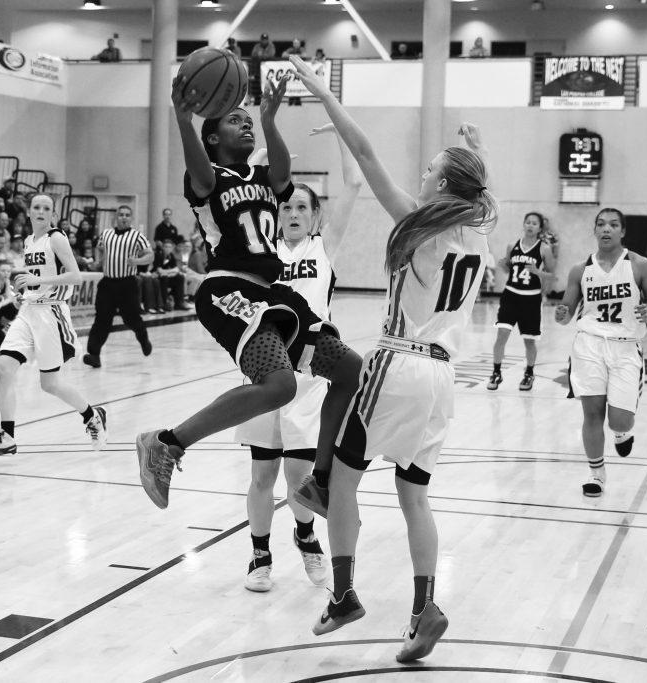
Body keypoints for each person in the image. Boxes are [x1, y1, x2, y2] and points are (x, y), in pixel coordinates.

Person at [290, 55, 495, 663]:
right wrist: (478, 152)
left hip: (399, 361)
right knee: (414, 495)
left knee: (341, 482)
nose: (424, 173)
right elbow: (487, 193)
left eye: (432, 169)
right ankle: (423, 608)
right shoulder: (480, 231)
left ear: (443, 186)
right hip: (441, 380)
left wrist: (326, 94)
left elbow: (368, 149)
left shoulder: (421, 222)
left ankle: (345, 593)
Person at [134, 73, 363, 517]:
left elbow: (281, 174)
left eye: (247, 121)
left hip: (272, 293)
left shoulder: (261, 177)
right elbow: (198, 165)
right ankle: (166, 444)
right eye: (235, 121)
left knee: (352, 372)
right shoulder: (207, 179)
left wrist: (270, 117)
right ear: (213, 137)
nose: (246, 126)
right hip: (226, 287)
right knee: (279, 385)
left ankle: (318, 480)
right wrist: (183, 119)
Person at [234, 124, 362, 593]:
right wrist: (262, 152)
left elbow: (352, 183)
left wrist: (340, 135)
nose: (291, 212)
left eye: (301, 207)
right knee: (263, 471)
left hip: (309, 376)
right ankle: (259, 555)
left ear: (314, 217)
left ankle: (306, 537)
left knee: (298, 473)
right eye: (285, 206)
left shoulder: (322, 247)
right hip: (266, 369)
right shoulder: (261, 250)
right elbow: (248, 190)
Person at [0, 195, 108, 456]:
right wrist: (26, 284)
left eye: (47, 208)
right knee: (3, 369)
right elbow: (37, 278)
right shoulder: (28, 241)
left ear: (53, 214)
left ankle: (92, 415)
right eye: (37, 207)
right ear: (29, 212)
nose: (41, 211)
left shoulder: (56, 238)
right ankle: (7, 437)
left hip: (51, 313)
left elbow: (75, 276)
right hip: (28, 310)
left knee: (50, 384)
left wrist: (38, 280)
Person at [554, 208, 647, 498]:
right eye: (601, 224)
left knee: (619, 419)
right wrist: (561, 313)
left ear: (622, 231)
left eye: (613, 225)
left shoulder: (639, 265)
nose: (606, 229)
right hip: (588, 343)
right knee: (591, 413)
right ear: (594, 230)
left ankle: (622, 432)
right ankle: (596, 473)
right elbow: (565, 313)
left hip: (626, 346)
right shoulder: (580, 269)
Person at [486, 211, 555, 392]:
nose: (530, 225)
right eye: (528, 222)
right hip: (510, 295)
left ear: (540, 228)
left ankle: (529, 373)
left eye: (534, 223)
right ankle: (496, 372)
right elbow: (508, 268)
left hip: (531, 299)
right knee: (501, 335)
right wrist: (503, 265)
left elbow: (553, 275)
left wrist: (538, 272)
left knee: (529, 341)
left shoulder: (544, 249)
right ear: (523, 225)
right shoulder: (512, 245)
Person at [83, 204, 154, 367]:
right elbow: (99, 248)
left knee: (131, 319)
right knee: (101, 320)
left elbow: (150, 255)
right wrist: (99, 261)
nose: (123, 217)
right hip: (107, 283)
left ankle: (143, 338)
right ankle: (94, 354)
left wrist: (137, 261)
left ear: (131, 218)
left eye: (127, 215)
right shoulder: (106, 233)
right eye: (121, 214)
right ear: (116, 217)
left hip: (127, 284)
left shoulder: (137, 236)